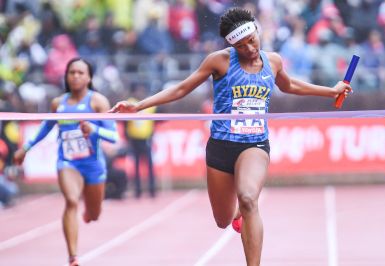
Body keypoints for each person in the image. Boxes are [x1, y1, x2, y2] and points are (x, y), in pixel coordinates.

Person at [110, 8, 350, 266]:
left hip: (255, 144)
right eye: (242, 45)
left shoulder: (274, 61)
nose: (250, 48)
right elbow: (181, 88)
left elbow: (289, 85)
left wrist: (330, 91)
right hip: (221, 147)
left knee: (248, 198)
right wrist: (138, 105)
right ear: (231, 44)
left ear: (257, 32)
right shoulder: (219, 61)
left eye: (252, 40)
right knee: (222, 220)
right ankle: (237, 213)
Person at [14, 58, 119, 266]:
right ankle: (73, 257)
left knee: (94, 214)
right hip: (68, 162)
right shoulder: (59, 103)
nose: (76, 76)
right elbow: (46, 127)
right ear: (66, 76)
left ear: (89, 77)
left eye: (81, 73)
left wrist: (94, 129)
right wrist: (26, 148)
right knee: (71, 201)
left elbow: (113, 136)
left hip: (93, 165)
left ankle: (90, 212)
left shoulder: (98, 101)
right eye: (72, 72)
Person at [125, 84, 157, 198]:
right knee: (137, 166)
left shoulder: (149, 104)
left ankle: (152, 190)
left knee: (149, 165)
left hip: (146, 139)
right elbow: (124, 122)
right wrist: (127, 137)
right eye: (138, 90)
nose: (140, 93)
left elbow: (156, 119)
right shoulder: (129, 103)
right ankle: (138, 191)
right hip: (134, 139)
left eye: (142, 90)